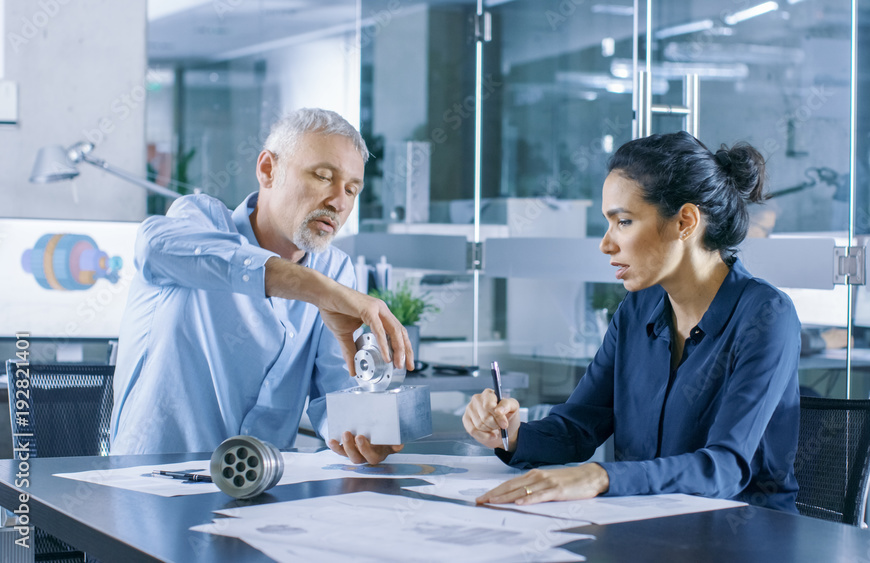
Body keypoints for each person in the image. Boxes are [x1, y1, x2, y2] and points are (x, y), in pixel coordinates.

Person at [463, 132, 801, 511]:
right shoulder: (639, 308)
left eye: (623, 222)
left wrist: (600, 476)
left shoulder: (766, 314)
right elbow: (579, 426)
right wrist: (510, 435)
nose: (606, 244)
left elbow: (724, 467)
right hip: (644, 526)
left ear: (685, 221)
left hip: (742, 536)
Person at [111, 108, 413, 465]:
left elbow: (337, 391)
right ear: (268, 169)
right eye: (322, 176)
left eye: (351, 189)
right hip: (152, 481)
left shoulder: (336, 269)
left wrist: (361, 432)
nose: (339, 201)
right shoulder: (199, 221)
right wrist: (318, 290)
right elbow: (153, 248)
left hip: (262, 488)